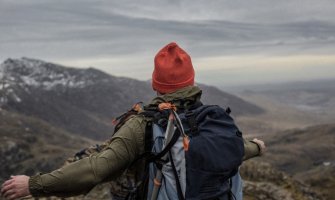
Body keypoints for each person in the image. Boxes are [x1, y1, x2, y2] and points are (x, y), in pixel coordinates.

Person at [0, 42, 266, 200]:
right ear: (192, 81)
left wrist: (32, 185)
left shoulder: (144, 124)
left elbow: (97, 169)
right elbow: (237, 148)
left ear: (156, 84)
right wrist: (257, 146)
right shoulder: (209, 118)